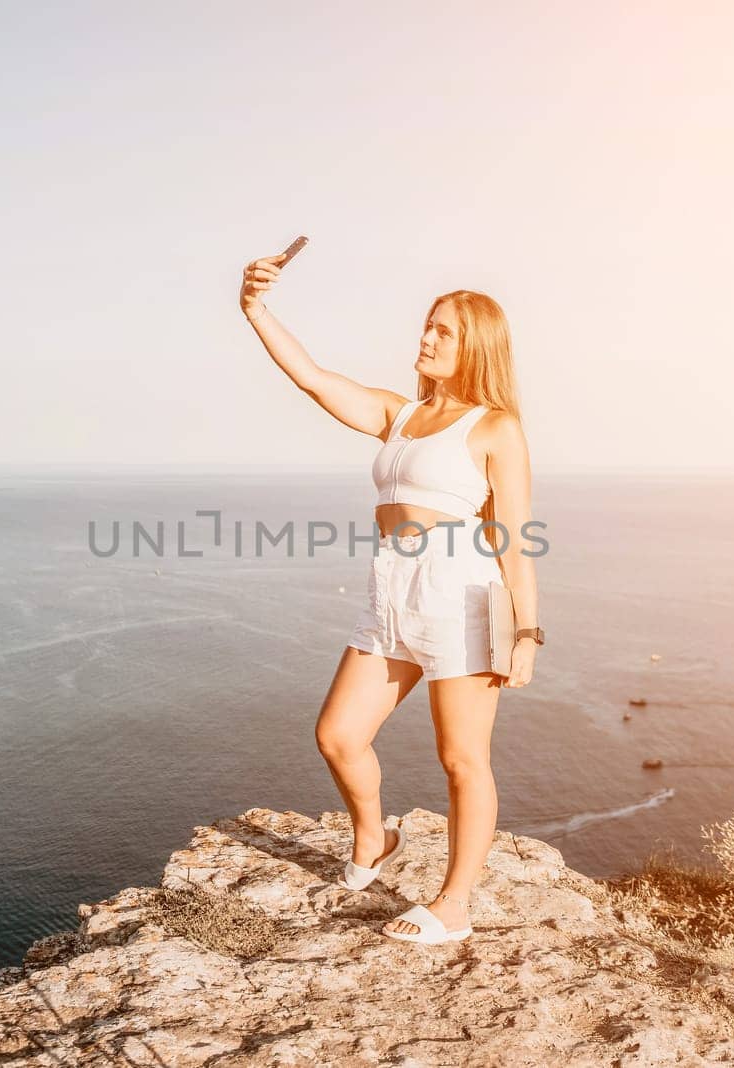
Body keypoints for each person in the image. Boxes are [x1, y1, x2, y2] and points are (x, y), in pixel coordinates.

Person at [240, 249, 542, 944]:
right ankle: (375, 841)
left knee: (462, 759)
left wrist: (526, 632)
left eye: (444, 331)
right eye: (428, 326)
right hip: (391, 590)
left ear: (476, 348)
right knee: (339, 735)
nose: (426, 338)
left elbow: (516, 540)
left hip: (462, 595)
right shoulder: (399, 415)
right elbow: (314, 380)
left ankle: (455, 906)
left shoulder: (495, 427)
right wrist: (256, 309)